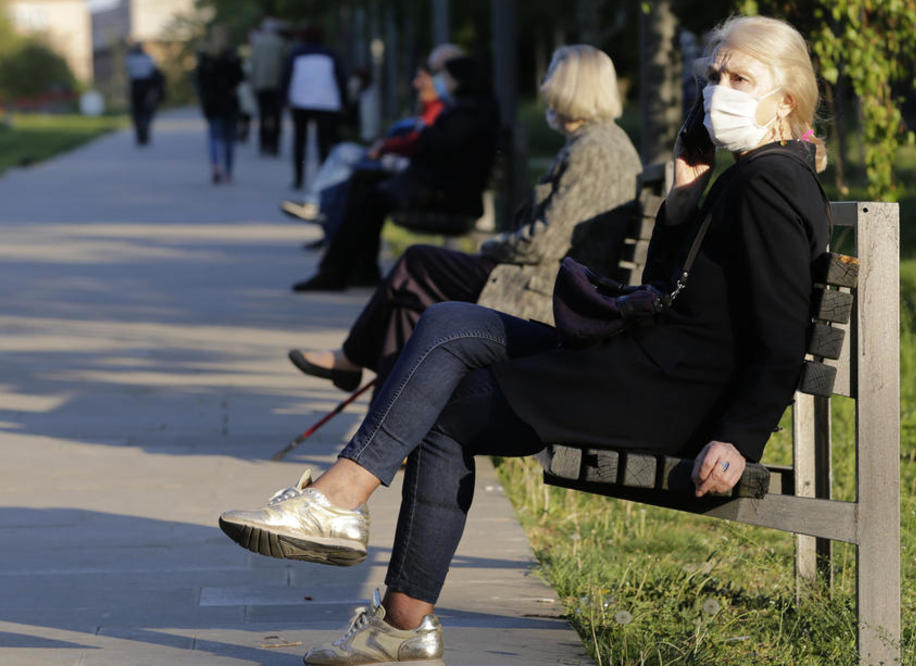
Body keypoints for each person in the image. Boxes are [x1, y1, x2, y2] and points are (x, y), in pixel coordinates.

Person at [219, 15, 831, 665]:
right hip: (646, 366)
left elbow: (783, 330)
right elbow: (667, 287)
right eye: (714, 76)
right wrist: (684, 193)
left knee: (445, 408)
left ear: (785, 99)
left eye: (740, 77)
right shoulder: (752, 174)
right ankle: (351, 527)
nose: (719, 91)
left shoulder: (770, 184)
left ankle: (375, 583)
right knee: (450, 321)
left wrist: (740, 437)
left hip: (666, 394)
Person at [287, 45, 641, 398]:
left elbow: (543, 242)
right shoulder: (595, 143)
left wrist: (490, 244)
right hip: (550, 279)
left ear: (571, 86)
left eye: (552, 78)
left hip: (544, 288)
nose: (546, 87)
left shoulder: (594, 150)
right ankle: (392, 442)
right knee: (407, 306)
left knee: (415, 263)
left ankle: (351, 360)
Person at [291, 55, 499, 292]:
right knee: (364, 180)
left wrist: (422, 133)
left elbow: (438, 145)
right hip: (440, 187)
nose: (444, 82)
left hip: (445, 195)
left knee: (368, 193)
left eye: (448, 77)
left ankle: (335, 271)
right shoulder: (470, 109)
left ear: (462, 80)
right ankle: (358, 270)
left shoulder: (468, 113)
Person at [279, 44, 464, 248]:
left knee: (353, 172)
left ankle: (324, 218)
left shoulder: (449, 110)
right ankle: (327, 223)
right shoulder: (440, 107)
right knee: (345, 159)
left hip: (417, 172)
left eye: (432, 74)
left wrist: (386, 147)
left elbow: (420, 141)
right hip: (412, 165)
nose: (417, 83)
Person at [282, 24, 348, 189]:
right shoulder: (330, 54)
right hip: (326, 102)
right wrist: (344, 101)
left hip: (300, 101)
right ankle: (323, 177)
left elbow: (285, 78)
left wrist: (284, 99)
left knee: (299, 141)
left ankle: (298, 178)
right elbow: (341, 79)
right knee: (323, 142)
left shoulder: (296, 54)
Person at [195, 26, 244, 184]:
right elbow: (240, 77)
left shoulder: (205, 56)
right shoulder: (232, 55)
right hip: (229, 101)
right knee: (229, 138)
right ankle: (228, 171)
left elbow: (199, 81)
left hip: (212, 102)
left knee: (214, 137)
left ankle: (216, 166)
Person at [249, 17, 287, 155]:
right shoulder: (280, 43)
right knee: (276, 117)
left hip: (261, 84)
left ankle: (264, 144)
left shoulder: (257, 43)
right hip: (276, 84)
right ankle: (275, 145)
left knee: (263, 115)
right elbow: (284, 64)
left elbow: (253, 65)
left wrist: (253, 83)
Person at [124, 41, 164, 146]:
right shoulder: (148, 58)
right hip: (145, 86)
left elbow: (128, 72)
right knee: (146, 111)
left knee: (138, 112)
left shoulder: (130, 58)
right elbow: (154, 71)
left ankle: (141, 134)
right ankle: (144, 133)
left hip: (137, 86)